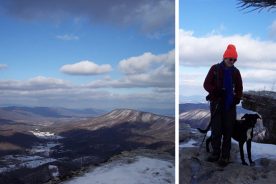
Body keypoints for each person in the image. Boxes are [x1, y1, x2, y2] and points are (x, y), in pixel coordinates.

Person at [203, 44, 243, 167]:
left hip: (230, 105)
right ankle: (216, 154)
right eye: (230, 58)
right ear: (224, 57)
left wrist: (237, 98)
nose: (232, 61)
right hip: (216, 103)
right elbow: (206, 84)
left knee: (228, 131)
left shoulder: (236, 72)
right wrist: (216, 91)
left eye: (234, 59)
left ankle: (225, 157)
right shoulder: (215, 69)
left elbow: (239, 88)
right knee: (216, 130)